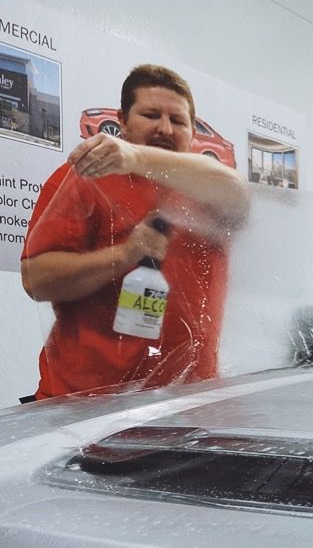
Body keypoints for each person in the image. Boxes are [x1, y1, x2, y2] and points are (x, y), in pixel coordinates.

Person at [20, 63, 250, 401]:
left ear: (193, 133)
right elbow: (36, 280)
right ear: (123, 121)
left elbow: (239, 194)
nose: (164, 128)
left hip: (187, 407)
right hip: (87, 406)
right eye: (151, 114)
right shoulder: (85, 177)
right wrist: (126, 254)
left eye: (177, 120)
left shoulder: (207, 189)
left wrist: (137, 157)